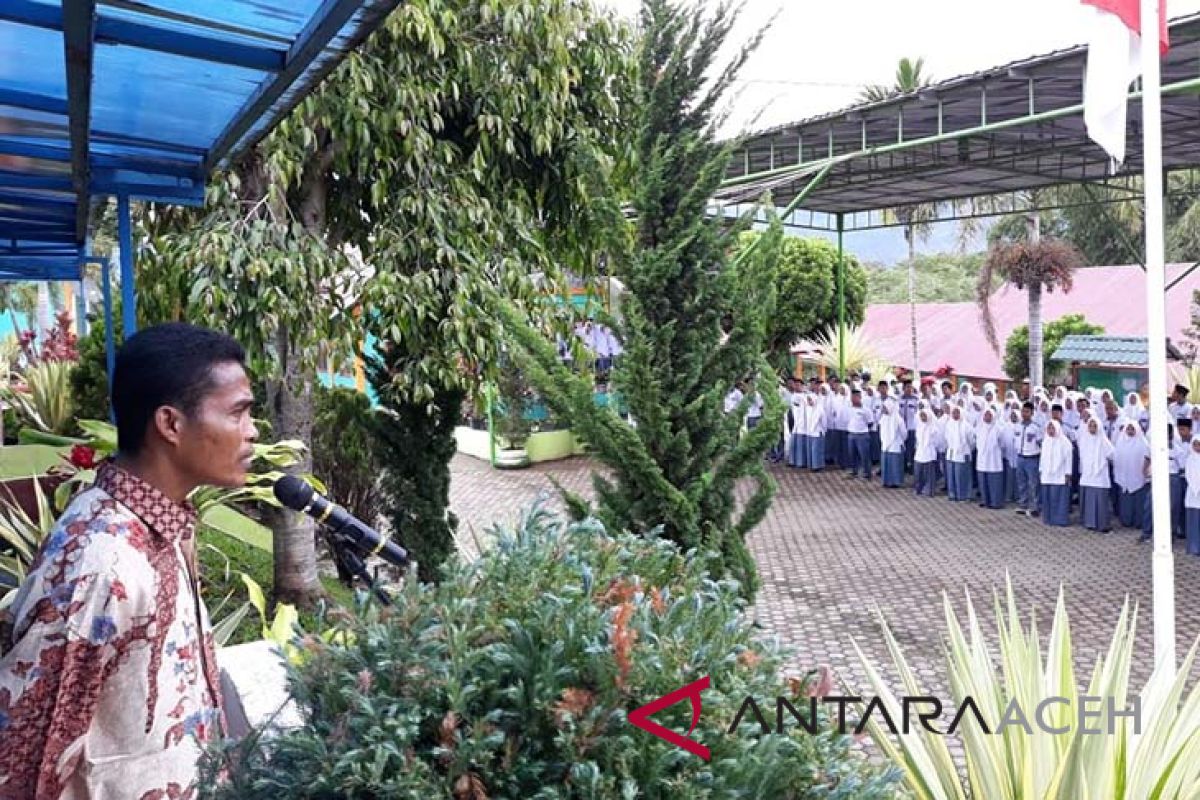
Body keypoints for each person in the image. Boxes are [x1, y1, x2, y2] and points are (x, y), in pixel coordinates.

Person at [0, 323, 258, 798]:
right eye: (238, 413)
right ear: (170, 424)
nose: (252, 431)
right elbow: (26, 760)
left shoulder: (161, 528)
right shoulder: (103, 563)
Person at [1078, 416, 1115, 532]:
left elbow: (1112, 455)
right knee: (1089, 500)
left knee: (1100, 501)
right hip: (1087, 475)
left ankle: (1102, 524)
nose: (1092, 428)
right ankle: (1089, 523)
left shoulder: (1103, 440)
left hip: (1100, 476)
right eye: (1090, 426)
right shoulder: (1084, 439)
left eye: (1094, 426)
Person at [1113, 419, 1151, 530]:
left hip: (1138, 475)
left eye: (1132, 429)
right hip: (1124, 475)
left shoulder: (1143, 442)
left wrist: (1145, 470)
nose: (1130, 431)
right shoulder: (1120, 442)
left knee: (1139, 500)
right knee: (1125, 500)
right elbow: (1117, 458)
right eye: (1128, 429)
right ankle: (1126, 520)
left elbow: (1148, 457)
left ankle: (1139, 522)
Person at [1039, 419, 1073, 526]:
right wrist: (1041, 470)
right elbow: (1042, 457)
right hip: (1047, 475)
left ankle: (1060, 520)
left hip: (1060, 474)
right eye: (1049, 428)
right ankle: (1048, 519)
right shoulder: (1046, 440)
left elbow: (1068, 459)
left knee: (1059, 498)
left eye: (1052, 428)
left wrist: (1068, 473)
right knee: (1047, 497)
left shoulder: (1065, 441)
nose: (1050, 430)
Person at [1014, 401, 1042, 517]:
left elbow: (1040, 443)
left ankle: (1035, 506)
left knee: (1033, 483)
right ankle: (1023, 504)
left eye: (1027, 412)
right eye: (1023, 411)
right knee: (1021, 482)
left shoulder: (1035, 428)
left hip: (1032, 458)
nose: (1024, 414)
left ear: (1032, 413)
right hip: (1020, 457)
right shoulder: (1018, 426)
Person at [975, 407, 1006, 509]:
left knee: (994, 481)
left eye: (989, 415)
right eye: (985, 415)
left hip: (994, 459)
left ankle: (996, 502)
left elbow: (1003, 444)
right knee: (983, 481)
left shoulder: (998, 429)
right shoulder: (979, 427)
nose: (987, 417)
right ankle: (985, 500)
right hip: (982, 458)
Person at [944, 404, 975, 501]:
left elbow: (972, 442)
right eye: (953, 412)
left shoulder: (967, 426)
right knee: (951, 475)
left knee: (962, 475)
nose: (955, 414)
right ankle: (953, 494)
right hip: (951, 454)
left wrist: (965, 449)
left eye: (957, 412)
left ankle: (965, 495)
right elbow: (946, 438)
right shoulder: (949, 424)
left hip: (963, 454)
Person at [1171, 417, 1194, 539]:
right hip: (1179, 477)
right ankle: (1180, 530)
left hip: (1191, 479)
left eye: (1183, 429)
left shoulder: (1194, 442)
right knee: (1178, 505)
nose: (1181, 432)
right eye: (1179, 429)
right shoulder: (1176, 442)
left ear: (1189, 430)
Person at [879, 397, 907, 488]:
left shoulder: (898, 419)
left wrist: (900, 441)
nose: (884, 410)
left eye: (885, 408)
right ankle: (886, 481)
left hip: (895, 445)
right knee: (886, 464)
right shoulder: (883, 418)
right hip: (885, 444)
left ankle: (896, 482)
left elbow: (904, 433)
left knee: (895, 464)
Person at [845, 389, 874, 480]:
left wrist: (862, 429)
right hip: (851, 434)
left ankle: (867, 473)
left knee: (864, 455)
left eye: (856, 397)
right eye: (852, 397)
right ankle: (854, 471)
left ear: (860, 397)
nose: (853, 399)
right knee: (852, 454)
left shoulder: (866, 410)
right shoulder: (849, 408)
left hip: (862, 435)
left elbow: (870, 422)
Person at [913, 402, 940, 497]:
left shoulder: (933, 428)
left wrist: (929, 447)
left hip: (929, 453)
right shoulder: (919, 426)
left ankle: (929, 491)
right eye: (921, 416)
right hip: (920, 452)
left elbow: (937, 442)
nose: (923, 418)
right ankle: (918, 489)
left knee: (929, 474)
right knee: (918, 473)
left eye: (924, 416)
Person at [898, 380, 919, 474]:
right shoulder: (899, 399)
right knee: (902, 447)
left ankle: (912, 466)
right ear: (903, 388)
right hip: (901, 427)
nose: (909, 389)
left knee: (911, 447)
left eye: (911, 387)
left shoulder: (916, 400)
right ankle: (903, 465)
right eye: (907, 387)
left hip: (912, 427)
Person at [802, 391, 827, 471]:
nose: (809, 402)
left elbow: (824, 421)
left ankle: (818, 466)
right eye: (808, 400)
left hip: (817, 432)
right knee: (810, 450)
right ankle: (811, 465)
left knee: (816, 450)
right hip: (809, 432)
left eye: (810, 400)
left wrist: (823, 430)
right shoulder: (808, 409)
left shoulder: (820, 409)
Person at [1185, 438, 1200, 556]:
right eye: (1195, 445)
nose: (1197, 447)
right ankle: (1193, 548)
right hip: (1192, 494)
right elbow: (1188, 475)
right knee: (1193, 521)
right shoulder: (1190, 459)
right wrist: (1195, 488)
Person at [786, 388, 806, 469]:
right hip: (795, 427)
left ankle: (800, 463)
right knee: (793, 443)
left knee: (800, 445)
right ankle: (793, 461)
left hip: (802, 427)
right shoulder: (793, 408)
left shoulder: (804, 405)